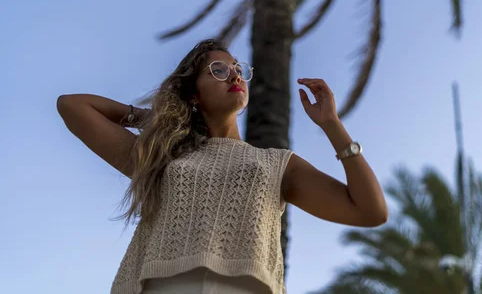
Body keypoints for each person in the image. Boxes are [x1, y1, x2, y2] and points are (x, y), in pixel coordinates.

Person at [57, 39, 388, 294]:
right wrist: (158, 119)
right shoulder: (163, 158)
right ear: (193, 95)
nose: (233, 74)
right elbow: (73, 105)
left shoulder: (275, 164)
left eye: (237, 69)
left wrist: (331, 124)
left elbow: (371, 212)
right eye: (218, 70)